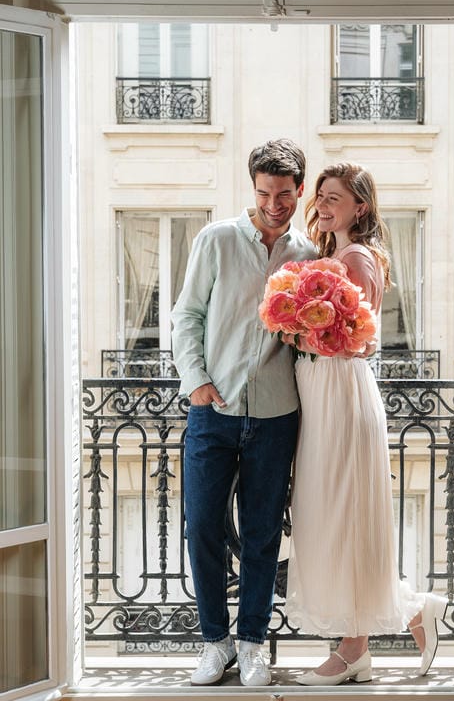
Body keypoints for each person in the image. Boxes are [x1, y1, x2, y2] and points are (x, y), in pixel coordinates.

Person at [284, 162, 448, 686]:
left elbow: (359, 338)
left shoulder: (353, 257)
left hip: (339, 392)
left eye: (336, 198)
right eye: (322, 197)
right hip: (324, 393)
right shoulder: (336, 253)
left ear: (361, 207)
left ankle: (354, 649)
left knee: (342, 517)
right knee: (331, 515)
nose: (324, 205)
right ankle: (411, 613)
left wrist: (295, 331)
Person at [171, 139, 316, 687]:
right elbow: (186, 315)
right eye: (263, 193)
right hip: (214, 409)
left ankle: (253, 642)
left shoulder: (307, 256)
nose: (274, 204)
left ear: (299, 190)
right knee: (202, 525)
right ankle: (215, 642)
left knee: (261, 535)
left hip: (279, 414)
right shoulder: (216, 240)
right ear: (251, 188)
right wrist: (197, 382)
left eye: (284, 194)